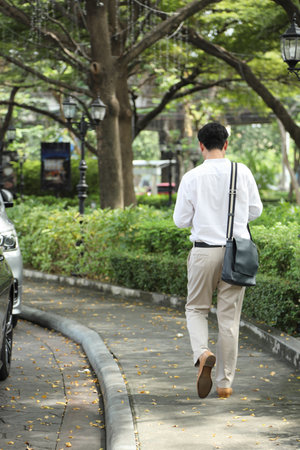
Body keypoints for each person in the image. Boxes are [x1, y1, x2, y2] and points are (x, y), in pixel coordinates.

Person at [173, 122, 263, 399]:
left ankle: (202, 354)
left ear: (200, 145)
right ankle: (224, 384)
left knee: (196, 309)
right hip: (235, 253)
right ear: (226, 145)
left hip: (202, 251)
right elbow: (255, 211)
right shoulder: (242, 171)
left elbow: (180, 221)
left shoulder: (191, 177)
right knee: (229, 320)